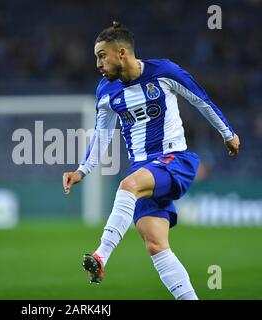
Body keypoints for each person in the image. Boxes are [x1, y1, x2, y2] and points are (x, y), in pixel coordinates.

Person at [62, 21, 240, 300]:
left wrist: (227, 133)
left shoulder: (164, 72)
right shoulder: (106, 92)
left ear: (122, 52)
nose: (98, 63)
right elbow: (102, 135)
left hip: (174, 161)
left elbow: (200, 99)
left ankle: (101, 256)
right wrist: (82, 170)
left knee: (128, 185)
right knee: (156, 245)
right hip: (144, 170)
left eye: (101, 55)